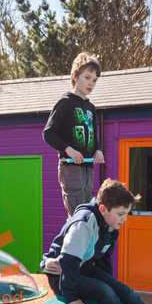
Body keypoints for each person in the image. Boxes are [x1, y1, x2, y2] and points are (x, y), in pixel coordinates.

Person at [43, 52, 106, 217]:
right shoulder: (65, 102)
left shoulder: (91, 108)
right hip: (70, 167)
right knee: (77, 215)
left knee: (87, 212)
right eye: (87, 77)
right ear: (75, 76)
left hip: (87, 167)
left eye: (94, 80)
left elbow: (93, 138)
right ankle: (72, 242)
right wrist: (68, 149)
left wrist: (98, 151)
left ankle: (83, 243)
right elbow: (48, 133)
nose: (91, 83)